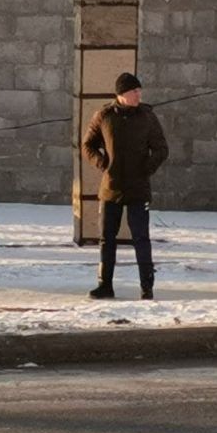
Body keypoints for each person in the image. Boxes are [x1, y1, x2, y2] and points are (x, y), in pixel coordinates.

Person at [82, 72, 169, 300]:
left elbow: (161, 149)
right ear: (121, 94)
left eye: (139, 91)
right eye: (134, 92)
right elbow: (88, 145)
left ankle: (146, 286)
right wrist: (103, 163)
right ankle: (105, 285)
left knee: (141, 238)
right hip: (111, 187)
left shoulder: (147, 117)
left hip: (138, 188)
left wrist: (146, 168)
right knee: (106, 238)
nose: (138, 95)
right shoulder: (104, 116)